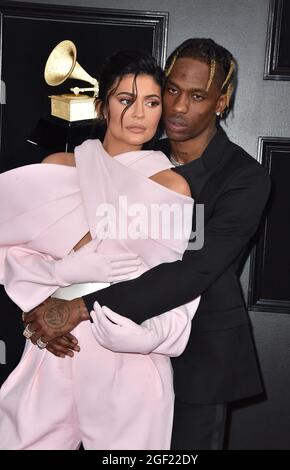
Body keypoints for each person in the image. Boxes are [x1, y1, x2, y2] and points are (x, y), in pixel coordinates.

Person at [31, 38, 271, 450]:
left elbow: (193, 270)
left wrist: (76, 309)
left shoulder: (244, 178)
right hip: (111, 352)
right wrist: (47, 302)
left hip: (199, 353)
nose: (178, 107)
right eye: (172, 90)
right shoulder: (140, 155)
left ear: (222, 101)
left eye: (197, 96)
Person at [0, 50, 200, 450]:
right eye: (125, 99)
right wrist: (55, 282)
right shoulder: (57, 166)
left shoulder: (172, 186)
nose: (138, 113)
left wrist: (149, 338)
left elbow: (177, 282)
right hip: (54, 345)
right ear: (102, 105)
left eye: (151, 101)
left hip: (126, 350)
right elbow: (11, 249)